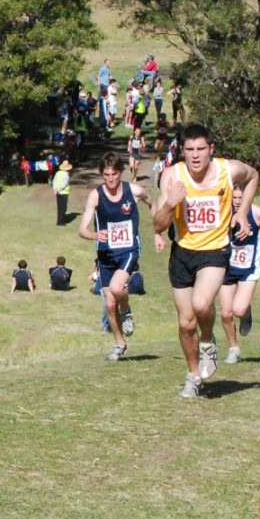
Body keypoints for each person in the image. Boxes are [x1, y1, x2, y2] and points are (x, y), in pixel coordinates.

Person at [152, 124, 260, 399]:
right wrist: (168, 204)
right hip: (183, 253)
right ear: (182, 152)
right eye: (190, 150)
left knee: (202, 304)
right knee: (186, 324)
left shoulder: (228, 170)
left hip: (215, 250)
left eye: (201, 149)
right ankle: (193, 375)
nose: (196, 156)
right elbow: (158, 226)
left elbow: (254, 176)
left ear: (211, 149)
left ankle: (209, 340)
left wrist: (243, 212)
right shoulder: (172, 176)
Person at [79, 153, 162, 362]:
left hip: (128, 250)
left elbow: (153, 204)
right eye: (106, 175)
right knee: (108, 304)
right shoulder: (96, 196)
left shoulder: (133, 191)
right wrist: (95, 234)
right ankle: (119, 343)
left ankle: (126, 311)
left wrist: (157, 232)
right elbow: (82, 229)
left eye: (114, 174)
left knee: (117, 290)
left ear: (120, 173)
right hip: (105, 253)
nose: (110, 179)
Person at [218, 203, 260, 364]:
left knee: (238, 310)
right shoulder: (223, 209)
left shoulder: (258, 212)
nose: (237, 201)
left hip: (250, 267)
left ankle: (246, 312)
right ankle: (233, 349)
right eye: (234, 198)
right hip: (227, 267)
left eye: (241, 197)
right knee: (226, 313)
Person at [52, 159, 73, 225]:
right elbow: (64, 184)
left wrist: (55, 189)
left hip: (58, 192)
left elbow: (54, 181)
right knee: (63, 207)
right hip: (63, 192)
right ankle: (61, 221)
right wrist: (58, 190)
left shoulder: (58, 173)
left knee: (59, 207)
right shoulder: (66, 175)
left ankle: (59, 220)